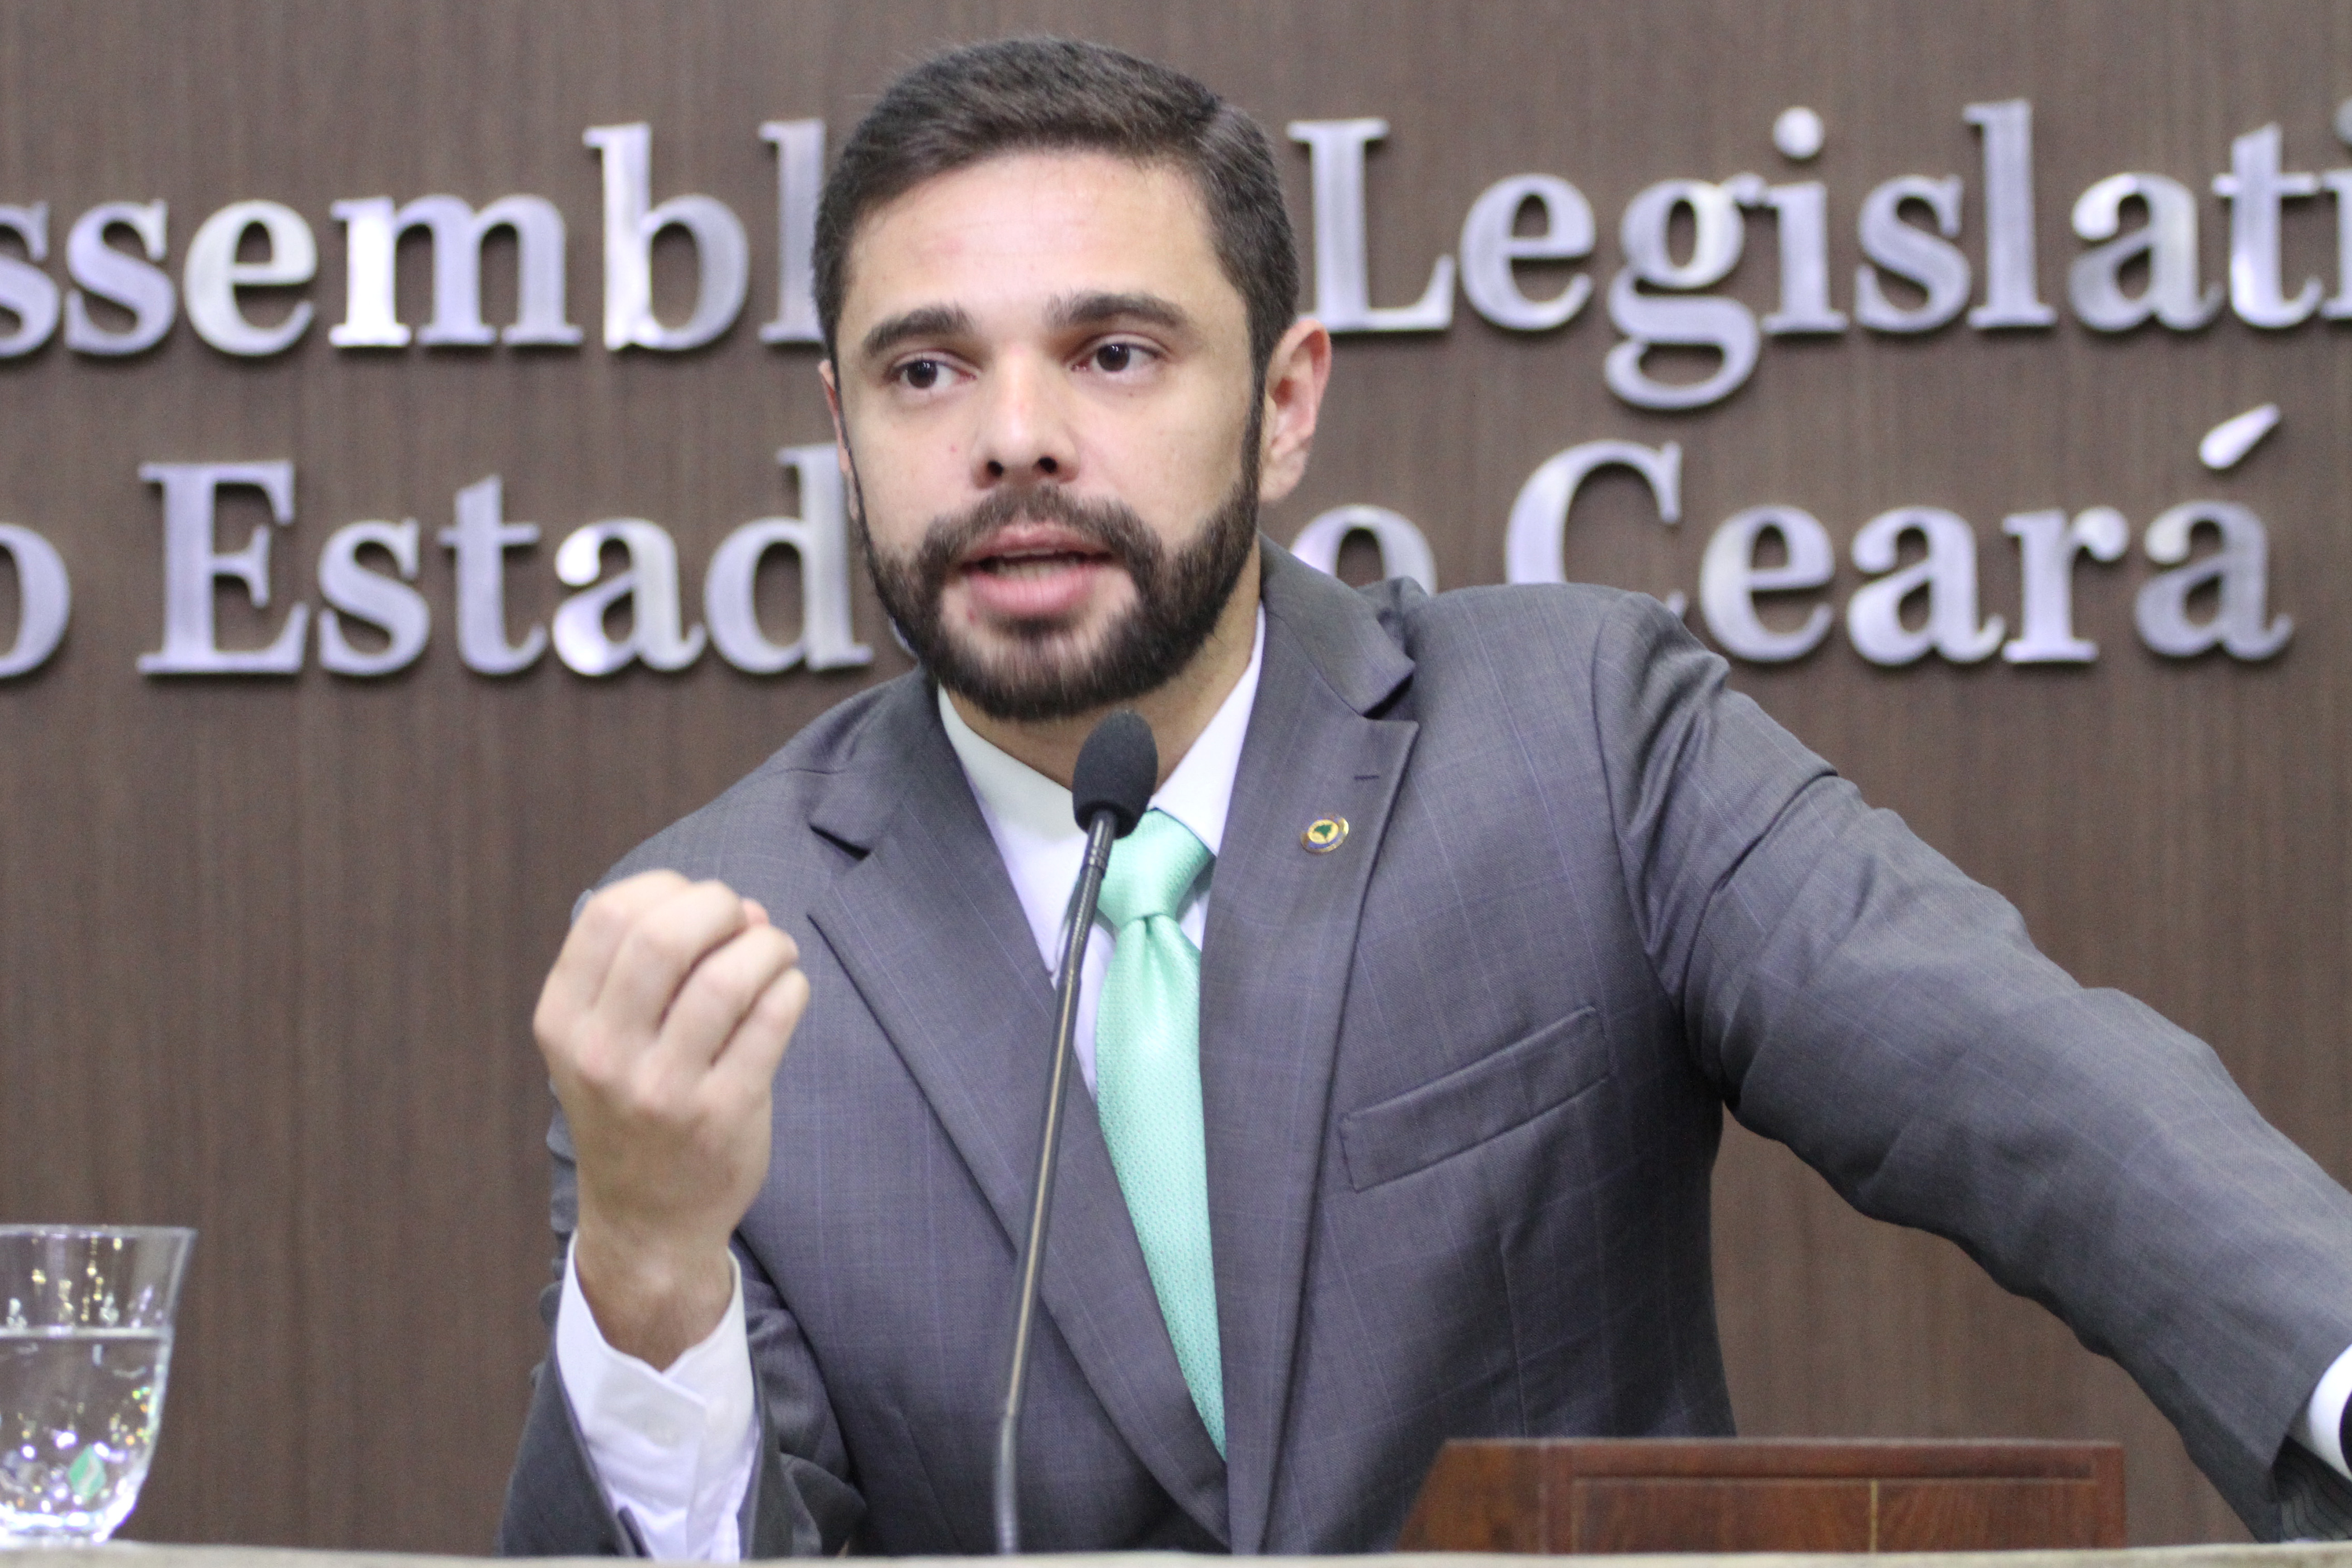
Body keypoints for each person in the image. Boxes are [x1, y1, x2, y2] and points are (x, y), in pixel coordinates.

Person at [499, 37, 2352, 1558]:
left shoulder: (1580, 737)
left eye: (1115, 354)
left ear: (1286, 402)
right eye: (926, 371)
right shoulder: (710, 951)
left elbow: (2022, 1090)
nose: (1014, 438)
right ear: (842, 431)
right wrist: (648, 1276)